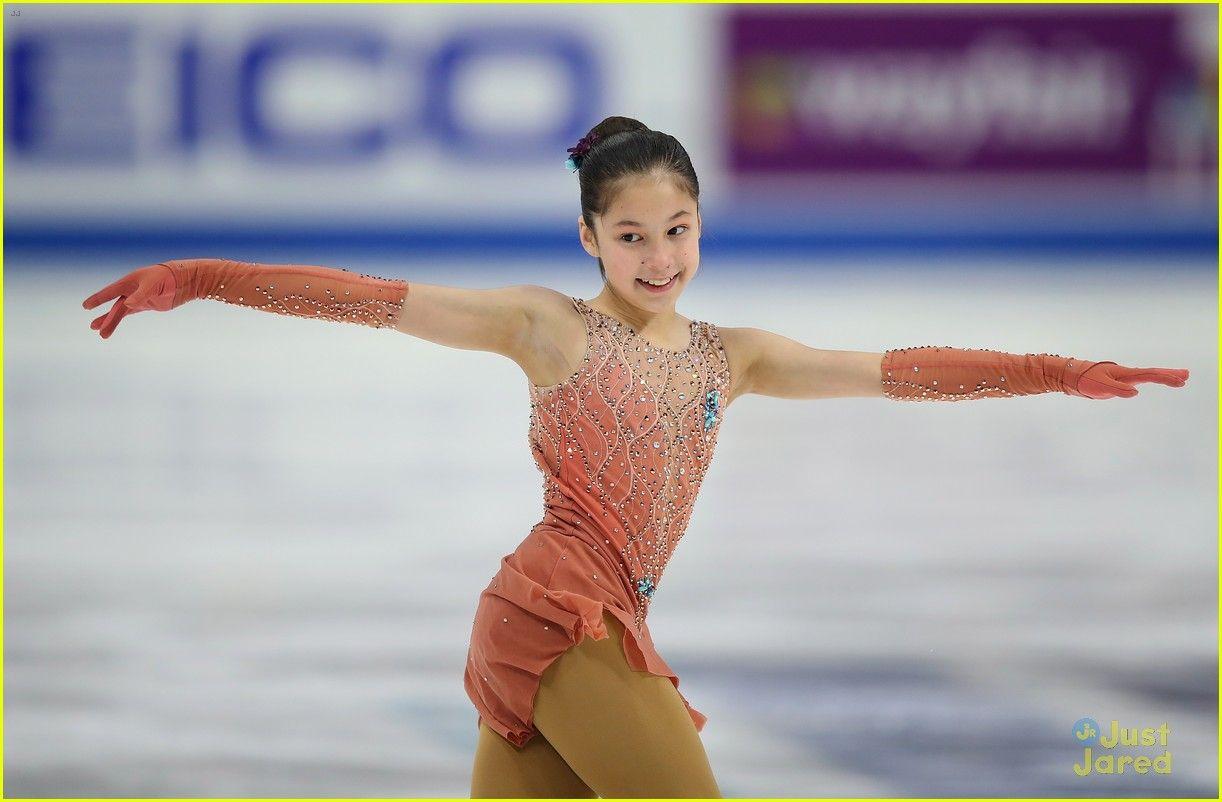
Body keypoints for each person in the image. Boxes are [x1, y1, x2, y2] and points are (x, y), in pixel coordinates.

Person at [82, 115, 1190, 798]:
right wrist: (207, 274)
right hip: (565, 615)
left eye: (680, 229)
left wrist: (1052, 367)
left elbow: (889, 370)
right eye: (630, 235)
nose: (661, 257)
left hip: (549, 621)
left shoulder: (734, 356)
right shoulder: (548, 327)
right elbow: (374, 303)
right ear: (587, 239)